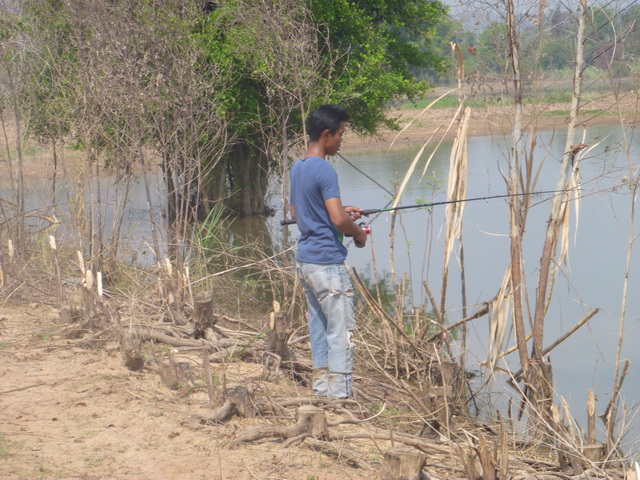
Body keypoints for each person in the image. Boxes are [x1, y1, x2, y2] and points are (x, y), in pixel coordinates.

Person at [289, 104, 368, 398]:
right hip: (327, 265)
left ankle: (321, 391)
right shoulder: (324, 169)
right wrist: (358, 233)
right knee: (341, 333)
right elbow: (337, 220)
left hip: (306, 262)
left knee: (319, 331)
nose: (341, 141)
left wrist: (342, 210)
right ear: (326, 135)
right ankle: (341, 397)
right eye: (340, 135)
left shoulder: (297, 166)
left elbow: (298, 211)